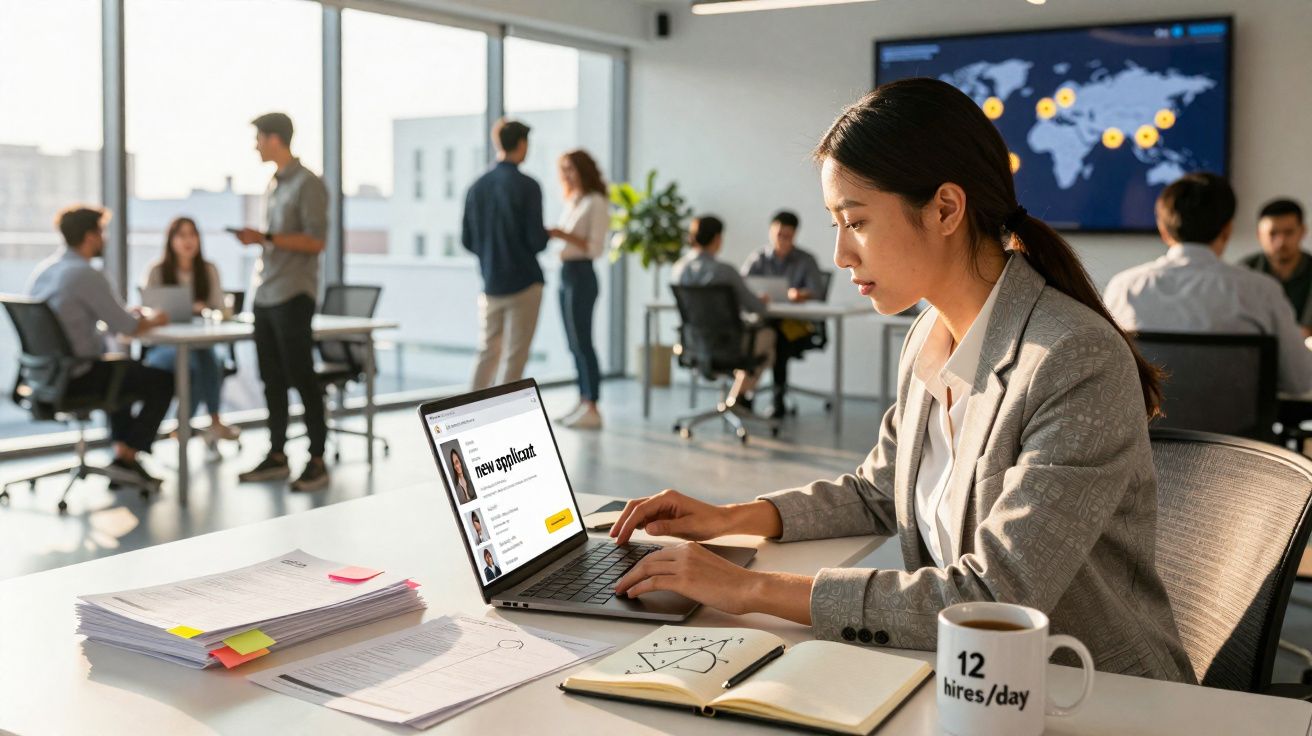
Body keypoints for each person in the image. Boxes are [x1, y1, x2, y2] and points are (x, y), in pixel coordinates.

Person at [608, 78, 1194, 683]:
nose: (839, 254)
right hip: (971, 683)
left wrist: (751, 587)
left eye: (854, 221)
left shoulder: (1073, 359)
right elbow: (880, 490)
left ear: (945, 208)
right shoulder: (928, 334)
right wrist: (730, 518)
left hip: (1089, 690)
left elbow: (994, 594)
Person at [1105, 174, 1312, 394]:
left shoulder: (1124, 288)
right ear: (1227, 230)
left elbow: (1108, 375)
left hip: (1148, 427)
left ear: (1163, 230)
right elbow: (1300, 381)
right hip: (1234, 428)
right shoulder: (1260, 291)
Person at [26, 206, 174, 489]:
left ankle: (123, 456)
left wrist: (120, 317)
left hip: (46, 376)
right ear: (90, 236)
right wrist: (156, 317)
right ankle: (128, 456)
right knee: (162, 380)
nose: (104, 238)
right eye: (102, 232)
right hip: (78, 377)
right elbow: (129, 328)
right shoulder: (85, 274)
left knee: (119, 371)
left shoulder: (46, 270)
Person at [233, 112, 331, 492]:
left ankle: (317, 459)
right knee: (271, 380)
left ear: (275, 139)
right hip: (267, 293)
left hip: (294, 292)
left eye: (258, 138)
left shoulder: (308, 184)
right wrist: (263, 239)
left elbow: (315, 242)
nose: (255, 145)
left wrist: (267, 238)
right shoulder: (273, 183)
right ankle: (277, 455)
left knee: (302, 379)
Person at [463, 118, 550, 390]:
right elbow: (536, 241)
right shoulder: (528, 186)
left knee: (487, 351)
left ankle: (469, 416)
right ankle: (502, 420)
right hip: (524, 282)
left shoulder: (477, 186)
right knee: (514, 356)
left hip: (491, 283)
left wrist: (490, 257)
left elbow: (468, 240)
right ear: (522, 144)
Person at [140, 216, 240, 448]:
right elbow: (147, 311)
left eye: (192, 234)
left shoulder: (208, 269)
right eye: (181, 235)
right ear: (171, 240)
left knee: (200, 358)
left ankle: (183, 425)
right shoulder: (157, 270)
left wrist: (203, 309)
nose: (188, 241)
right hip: (163, 348)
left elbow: (219, 310)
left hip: (200, 345)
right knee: (201, 360)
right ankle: (211, 420)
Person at [671, 215, 776, 413]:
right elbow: (757, 309)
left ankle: (735, 400)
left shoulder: (678, 269)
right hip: (729, 345)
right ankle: (736, 400)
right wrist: (760, 300)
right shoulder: (725, 271)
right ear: (718, 239)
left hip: (695, 344)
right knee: (769, 338)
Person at [740, 210, 825, 418]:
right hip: (763, 322)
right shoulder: (758, 258)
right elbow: (742, 288)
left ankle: (776, 399)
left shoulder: (806, 260)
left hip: (796, 326)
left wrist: (802, 295)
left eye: (788, 236)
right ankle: (744, 393)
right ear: (771, 231)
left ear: (795, 235)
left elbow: (818, 293)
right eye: (779, 235)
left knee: (776, 337)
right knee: (754, 336)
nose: (783, 240)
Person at [548, 150, 609, 430]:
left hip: (582, 274)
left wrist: (563, 235)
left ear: (583, 169)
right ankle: (582, 399)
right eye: (564, 170)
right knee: (573, 344)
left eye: (571, 169)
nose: (568, 175)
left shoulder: (596, 203)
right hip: (565, 274)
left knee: (584, 343)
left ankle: (593, 405)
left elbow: (596, 247)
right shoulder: (573, 201)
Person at [1240, 198, 1312, 337]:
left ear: (1302, 231)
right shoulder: (1244, 271)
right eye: (1272, 234)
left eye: (1289, 232)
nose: (1281, 242)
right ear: (1259, 235)